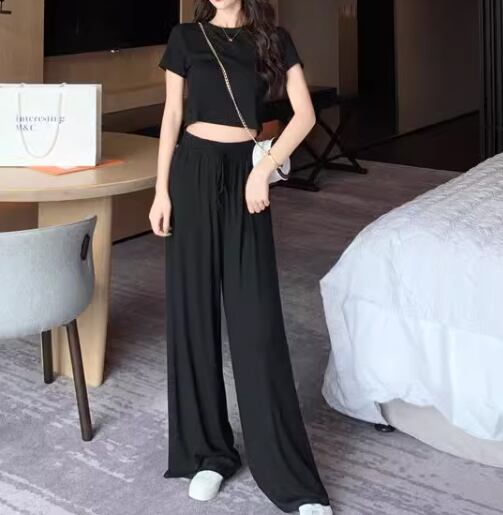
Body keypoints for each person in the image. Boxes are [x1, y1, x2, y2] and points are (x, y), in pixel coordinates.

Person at [149, 1, 332, 513]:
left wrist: (263, 169)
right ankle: (208, 454)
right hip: (192, 172)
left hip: (246, 173)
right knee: (193, 315)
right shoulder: (185, 37)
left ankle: (288, 477)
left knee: (256, 322)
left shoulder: (273, 38)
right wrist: (161, 190)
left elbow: (305, 115)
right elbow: (172, 115)